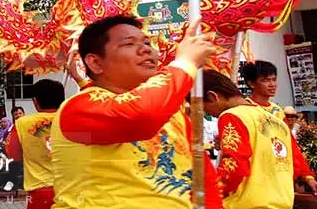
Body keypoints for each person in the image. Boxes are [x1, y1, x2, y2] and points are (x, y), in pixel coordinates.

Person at [51, 15, 222, 209]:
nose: (146, 49)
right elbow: (142, 116)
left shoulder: (173, 113)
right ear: (96, 63)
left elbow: (204, 179)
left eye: (148, 43)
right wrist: (184, 64)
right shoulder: (78, 109)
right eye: (129, 44)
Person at [202, 70, 317, 208]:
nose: (208, 113)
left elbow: (235, 166)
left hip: (247, 203)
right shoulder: (277, 121)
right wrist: (308, 177)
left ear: (212, 97)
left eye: (204, 108)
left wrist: (209, 192)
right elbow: (293, 154)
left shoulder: (231, 116)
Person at [5, 79, 64, 209]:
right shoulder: (73, 119)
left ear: (35, 101)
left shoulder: (22, 123)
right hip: (72, 190)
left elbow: (13, 154)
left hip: (40, 191)